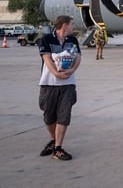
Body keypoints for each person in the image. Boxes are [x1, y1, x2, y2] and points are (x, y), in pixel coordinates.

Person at [38, 15, 82, 161]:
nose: (73, 26)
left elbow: (77, 58)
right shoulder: (46, 39)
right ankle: (53, 140)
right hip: (49, 84)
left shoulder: (73, 40)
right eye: (71, 24)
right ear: (64, 25)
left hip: (68, 85)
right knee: (49, 117)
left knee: (64, 116)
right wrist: (56, 73)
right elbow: (46, 58)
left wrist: (72, 70)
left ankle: (58, 148)